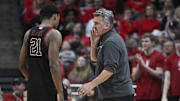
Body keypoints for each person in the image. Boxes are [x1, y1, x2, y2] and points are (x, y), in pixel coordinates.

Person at [78, 8, 135, 101]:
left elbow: (109, 70)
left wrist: (90, 85)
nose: (93, 26)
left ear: (107, 25)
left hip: (118, 95)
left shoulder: (111, 42)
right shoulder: (105, 39)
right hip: (112, 94)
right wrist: (93, 44)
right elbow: (95, 61)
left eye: (97, 23)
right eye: (94, 23)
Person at [19, 3, 65, 101]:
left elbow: (21, 65)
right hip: (49, 87)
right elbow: (53, 65)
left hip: (32, 88)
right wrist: (60, 91)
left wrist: (32, 79)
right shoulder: (53, 34)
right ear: (55, 17)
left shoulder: (28, 33)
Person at [131, 33, 165, 101]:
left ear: (153, 43)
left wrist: (144, 66)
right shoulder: (138, 57)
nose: (144, 43)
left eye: (146, 41)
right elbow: (134, 77)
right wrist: (139, 64)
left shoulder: (159, 56)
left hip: (154, 95)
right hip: (140, 95)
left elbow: (159, 75)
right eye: (142, 41)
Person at [161, 34, 180, 101]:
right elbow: (167, 78)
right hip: (174, 94)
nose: (178, 45)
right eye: (176, 42)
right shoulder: (170, 58)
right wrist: (164, 96)